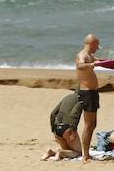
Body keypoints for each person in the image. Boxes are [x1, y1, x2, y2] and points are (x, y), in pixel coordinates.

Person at [76, 33, 104, 162]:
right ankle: (85, 155)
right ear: (91, 43)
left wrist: (112, 63)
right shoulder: (82, 55)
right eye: (97, 45)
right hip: (86, 93)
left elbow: (98, 60)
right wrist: (93, 65)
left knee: (93, 124)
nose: (97, 48)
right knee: (88, 125)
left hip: (92, 93)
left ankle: (86, 154)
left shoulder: (90, 56)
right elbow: (80, 66)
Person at [42, 91, 83, 161]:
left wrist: (53, 131)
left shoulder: (66, 97)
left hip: (57, 128)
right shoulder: (82, 98)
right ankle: (59, 152)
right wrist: (73, 130)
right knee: (78, 153)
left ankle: (51, 152)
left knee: (67, 151)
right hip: (67, 128)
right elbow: (74, 113)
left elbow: (53, 113)